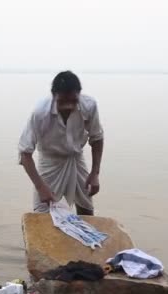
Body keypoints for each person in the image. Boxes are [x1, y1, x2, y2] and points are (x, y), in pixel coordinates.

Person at [18, 71, 104, 215]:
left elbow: (97, 138)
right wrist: (40, 187)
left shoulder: (89, 106)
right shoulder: (40, 113)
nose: (68, 107)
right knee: (42, 213)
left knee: (86, 208)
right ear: (54, 95)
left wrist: (95, 173)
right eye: (62, 102)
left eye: (73, 101)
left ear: (79, 94)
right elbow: (25, 154)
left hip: (75, 158)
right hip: (50, 161)